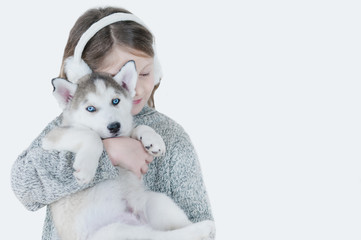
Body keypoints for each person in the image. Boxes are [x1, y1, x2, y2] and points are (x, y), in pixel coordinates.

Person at [11, 6, 214, 240]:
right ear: (85, 78)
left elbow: (202, 223)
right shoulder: (66, 126)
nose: (134, 87)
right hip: (92, 231)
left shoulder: (170, 135)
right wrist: (109, 153)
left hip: (145, 223)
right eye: (118, 75)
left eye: (145, 73)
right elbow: (24, 187)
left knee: (157, 204)